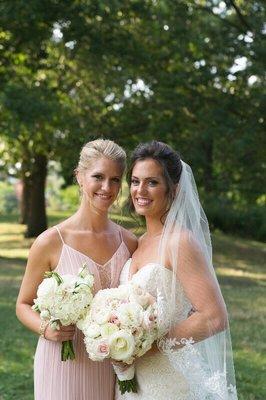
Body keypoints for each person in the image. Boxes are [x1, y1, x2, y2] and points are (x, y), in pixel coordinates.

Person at [16, 139, 137, 400]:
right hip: (61, 364)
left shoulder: (128, 242)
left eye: (115, 179)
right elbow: (23, 305)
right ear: (80, 177)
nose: (107, 187)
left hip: (109, 364)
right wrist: (46, 328)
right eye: (98, 177)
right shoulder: (50, 242)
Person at [116, 141, 237, 400]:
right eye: (135, 181)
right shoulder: (139, 242)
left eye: (152, 182)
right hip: (132, 380)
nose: (140, 190)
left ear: (175, 188)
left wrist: (148, 346)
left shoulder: (180, 242)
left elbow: (214, 317)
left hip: (168, 382)